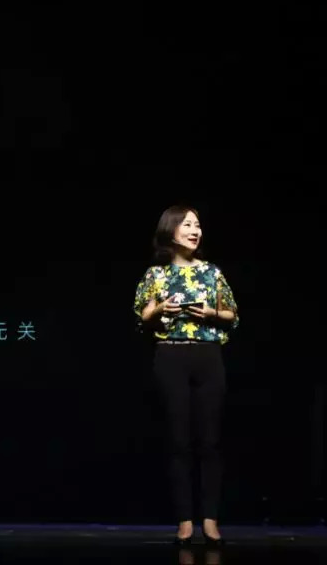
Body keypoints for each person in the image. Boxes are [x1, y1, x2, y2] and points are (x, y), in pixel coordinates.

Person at [133, 205, 239, 547]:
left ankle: (210, 520)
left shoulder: (211, 272)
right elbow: (142, 317)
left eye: (198, 225)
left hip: (208, 355)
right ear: (171, 230)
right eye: (188, 224)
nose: (195, 231)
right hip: (171, 355)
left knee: (210, 440)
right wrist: (160, 309)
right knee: (178, 440)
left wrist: (210, 313)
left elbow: (232, 315)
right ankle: (184, 522)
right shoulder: (156, 275)